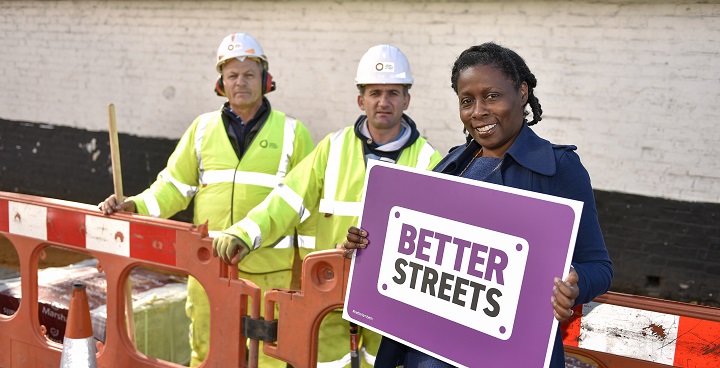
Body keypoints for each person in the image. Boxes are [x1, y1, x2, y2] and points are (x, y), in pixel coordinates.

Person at [343, 42, 614, 367]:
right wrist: (367, 247)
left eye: (492, 96)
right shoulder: (449, 166)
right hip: (426, 354)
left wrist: (574, 284)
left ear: (522, 92)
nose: (478, 111)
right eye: (467, 101)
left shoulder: (558, 169)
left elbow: (599, 267)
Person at [212, 44, 443, 367]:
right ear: (360, 99)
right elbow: (286, 199)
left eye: (393, 92)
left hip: (391, 301)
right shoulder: (332, 148)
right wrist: (244, 233)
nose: (383, 101)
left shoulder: (428, 161)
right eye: (374, 92)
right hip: (329, 294)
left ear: (407, 99)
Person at [98, 33, 315, 367]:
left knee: (268, 359)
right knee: (207, 353)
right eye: (232, 75)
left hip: (268, 276)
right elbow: (171, 188)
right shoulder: (201, 129)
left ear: (265, 79)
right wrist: (136, 205)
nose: (240, 82)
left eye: (248, 74)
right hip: (208, 270)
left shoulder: (293, 133)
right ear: (221, 82)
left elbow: (303, 203)